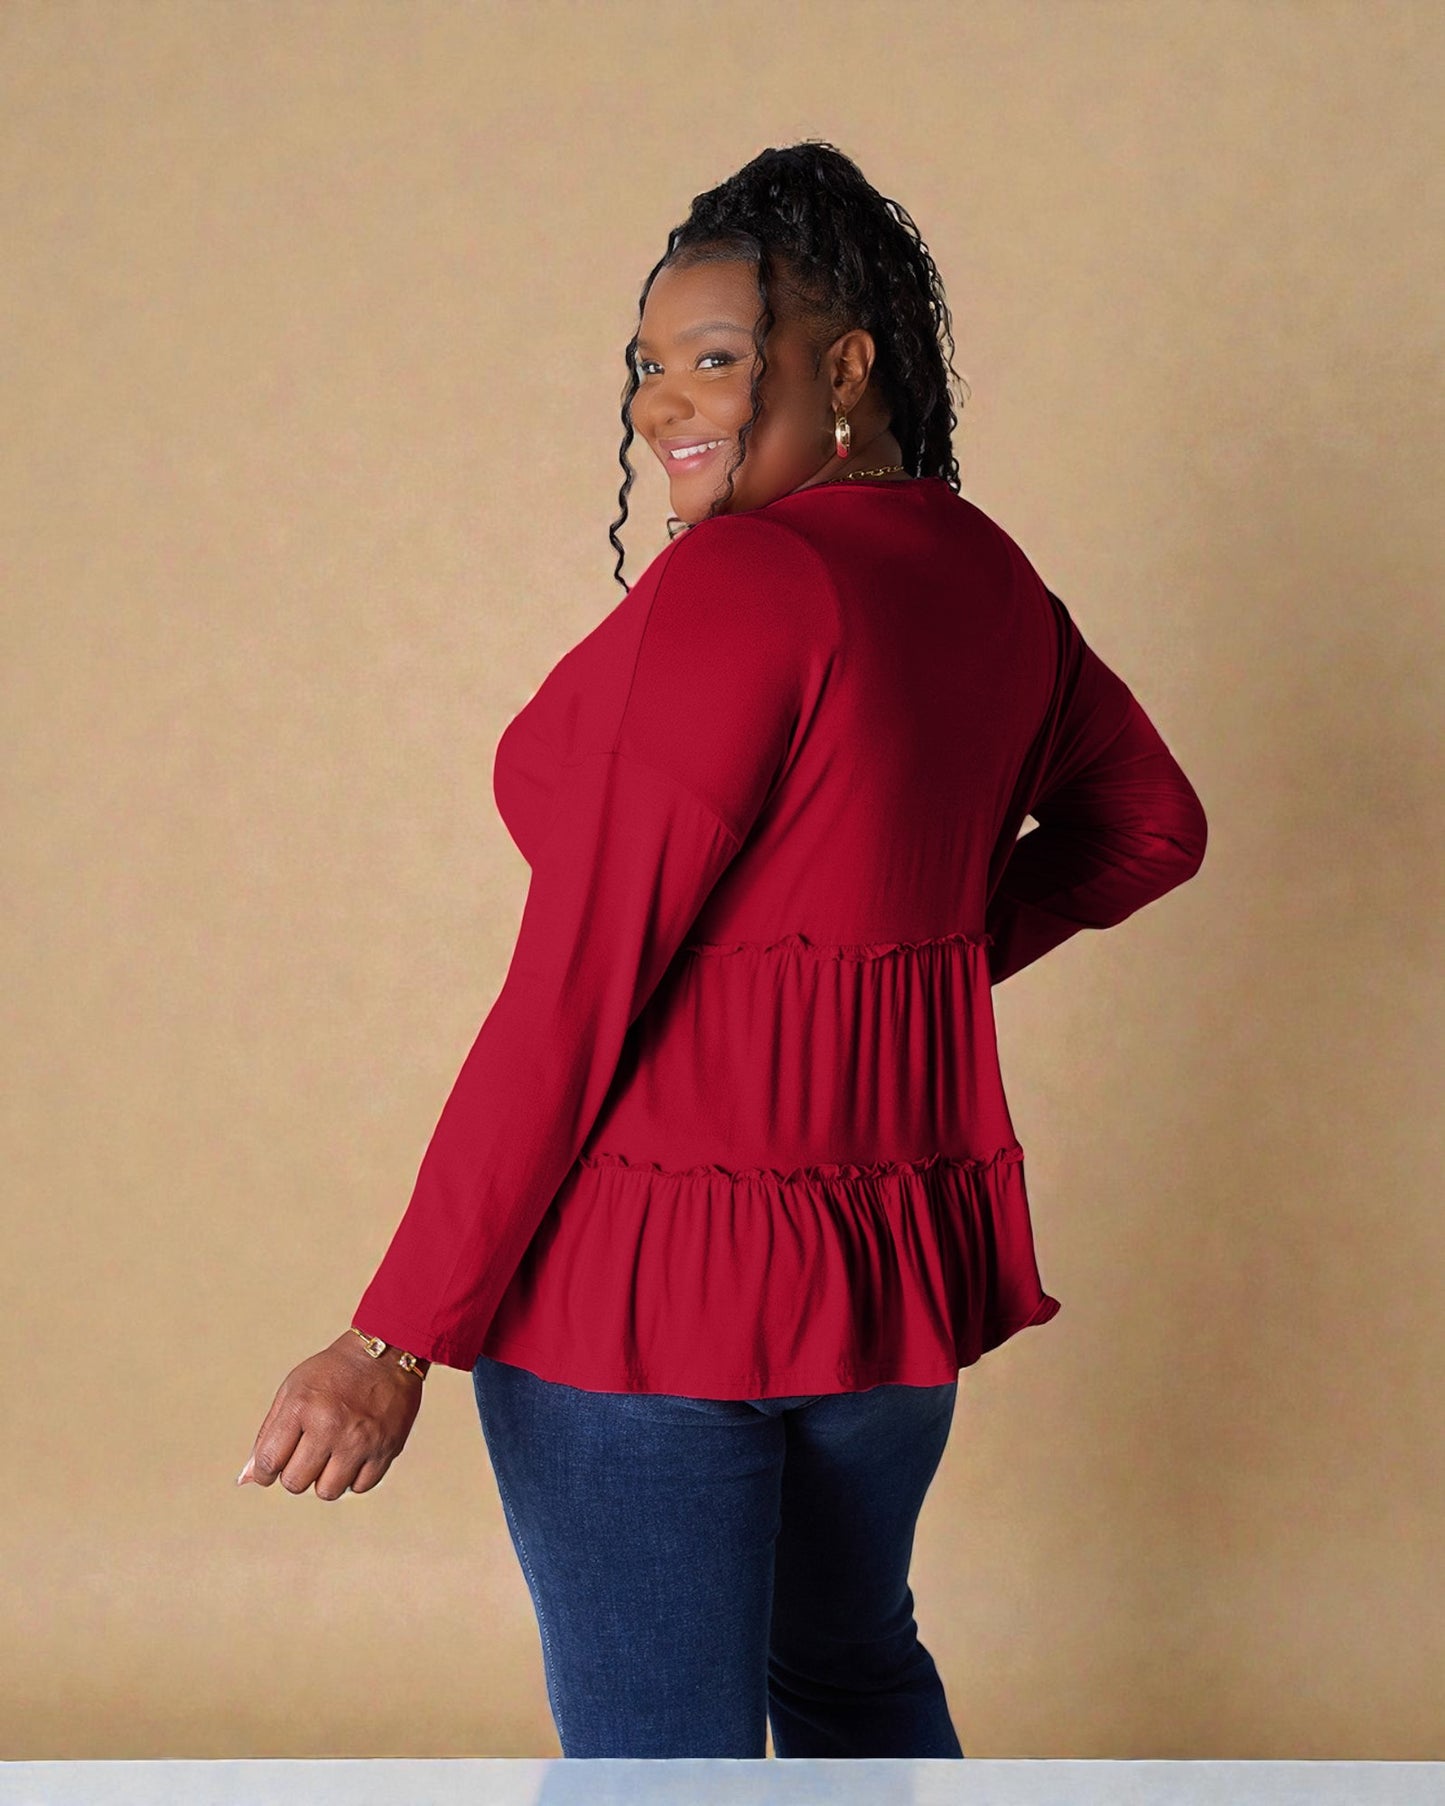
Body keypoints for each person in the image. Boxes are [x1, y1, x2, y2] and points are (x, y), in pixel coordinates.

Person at [237, 141, 1208, 1760]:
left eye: (712, 358)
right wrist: (907, 968)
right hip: (880, 1280)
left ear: (844, 366)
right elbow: (1149, 830)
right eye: (646, 367)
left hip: (642, 1293)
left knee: (654, 1761)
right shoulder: (987, 577)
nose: (663, 404)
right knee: (853, 1682)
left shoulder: (750, 584)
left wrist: (389, 1336)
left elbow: (572, 995)